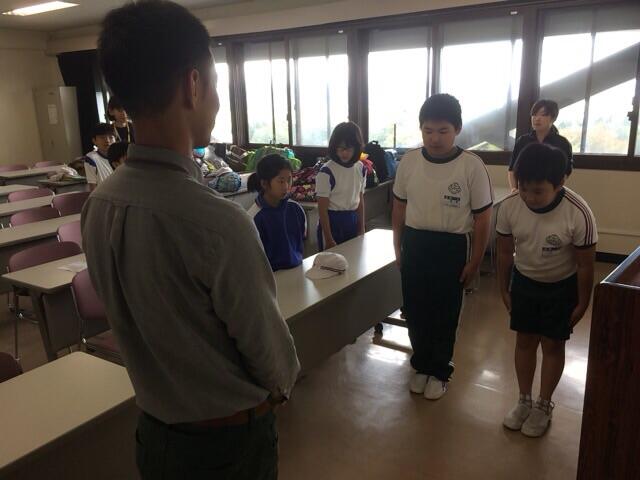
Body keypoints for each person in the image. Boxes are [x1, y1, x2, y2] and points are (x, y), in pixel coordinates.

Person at [84, 2, 299, 478]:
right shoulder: (219, 223)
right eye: (216, 85)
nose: (217, 102)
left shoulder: (98, 205)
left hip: (154, 435)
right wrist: (282, 387)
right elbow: (273, 360)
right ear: (193, 85)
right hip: (227, 447)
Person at [392, 93, 493, 400]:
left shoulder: (471, 166)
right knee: (415, 309)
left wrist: (475, 261)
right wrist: (398, 247)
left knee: (445, 312)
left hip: (452, 246)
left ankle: (439, 370)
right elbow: (399, 207)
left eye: (443, 131)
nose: (434, 138)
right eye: (428, 131)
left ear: (457, 129)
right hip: (415, 242)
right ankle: (421, 365)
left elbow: (483, 218)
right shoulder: (409, 162)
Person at [497, 142, 596, 437]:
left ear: (560, 182)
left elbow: (585, 265)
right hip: (525, 282)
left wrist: (583, 303)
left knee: (553, 345)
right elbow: (504, 253)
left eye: (538, 191)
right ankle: (524, 400)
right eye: (524, 189)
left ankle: (544, 404)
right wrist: (504, 289)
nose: (529, 197)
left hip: (561, 287)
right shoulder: (510, 206)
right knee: (525, 341)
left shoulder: (579, 213)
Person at [247, 153, 307, 271]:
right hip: (270, 276)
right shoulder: (254, 217)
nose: (286, 186)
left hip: (297, 270)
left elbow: (302, 241)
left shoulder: (295, 209)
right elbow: (253, 258)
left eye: (289, 180)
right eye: (280, 181)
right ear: (264, 184)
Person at [315, 121, 366, 251]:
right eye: (340, 148)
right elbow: (322, 209)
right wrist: (328, 238)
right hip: (332, 222)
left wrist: (361, 227)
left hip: (352, 219)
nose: (344, 153)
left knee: (353, 258)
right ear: (334, 147)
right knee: (332, 261)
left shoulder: (360, 168)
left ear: (356, 148)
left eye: (349, 148)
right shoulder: (326, 171)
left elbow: (360, 200)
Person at [508, 99, 572, 191]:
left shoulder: (562, 143)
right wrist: (514, 189)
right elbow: (512, 169)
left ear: (553, 118)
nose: (537, 118)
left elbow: (565, 172)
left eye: (543, 115)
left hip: (551, 192)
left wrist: (554, 190)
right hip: (524, 191)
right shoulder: (523, 141)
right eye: (534, 114)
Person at [84, 123, 115, 191]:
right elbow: (93, 188)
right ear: (94, 141)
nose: (107, 140)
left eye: (111, 137)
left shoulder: (121, 157)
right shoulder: (91, 158)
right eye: (102, 137)